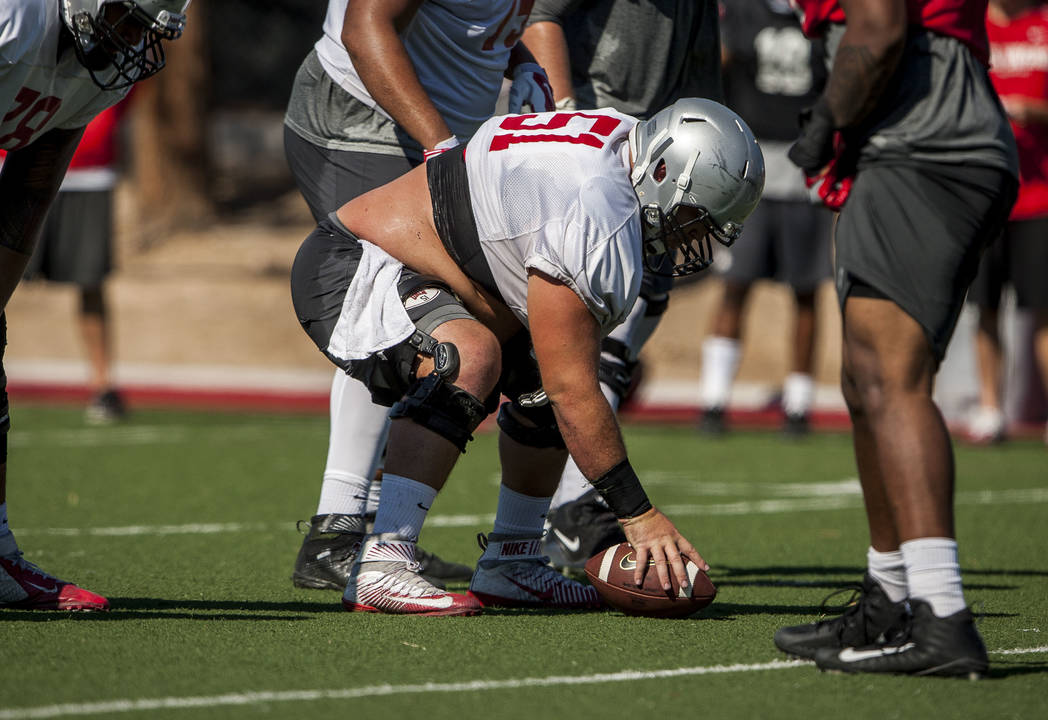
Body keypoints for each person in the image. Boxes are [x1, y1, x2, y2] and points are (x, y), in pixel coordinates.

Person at [290, 98, 765, 615]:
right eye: (692, 218)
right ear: (661, 170)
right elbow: (575, 391)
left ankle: (511, 561)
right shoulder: (598, 210)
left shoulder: (628, 141)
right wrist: (639, 515)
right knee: (471, 357)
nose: (692, 237)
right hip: (358, 261)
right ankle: (383, 564)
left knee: (539, 384)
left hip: (447, 273)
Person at [772, 0, 1018, 676]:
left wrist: (824, 123)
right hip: (929, 134)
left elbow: (878, 25)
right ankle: (889, 600)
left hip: (922, 137)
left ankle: (941, 616)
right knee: (866, 381)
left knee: (892, 378)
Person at [284, 0, 556, 593]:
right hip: (363, 117)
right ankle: (338, 533)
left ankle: (385, 538)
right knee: (389, 307)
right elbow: (365, 26)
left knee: (453, 325)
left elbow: (474, 23)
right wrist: (442, 147)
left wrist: (523, 62)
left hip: (443, 131)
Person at [520, 0, 725, 573]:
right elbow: (542, 14)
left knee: (634, 319)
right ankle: (566, 510)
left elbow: (699, 68)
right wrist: (562, 118)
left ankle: (559, 512)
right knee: (574, 351)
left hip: (658, 149)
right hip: (600, 149)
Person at [0, 0, 190, 611]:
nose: (134, 41)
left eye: (147, 29)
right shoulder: (13, 21)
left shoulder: (103, 71)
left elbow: (32, 185)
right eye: (130, 20)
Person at [698, 0, 833, 438]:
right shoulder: (743, 10)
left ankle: (799, 404)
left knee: (807, 290)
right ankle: (714, 400)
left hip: (806, 168)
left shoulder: (827, 12)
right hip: (749, 169)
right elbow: (714, 66)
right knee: (735, 285)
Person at [964, 0, 1048, 447]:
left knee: (1042, 310)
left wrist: (1033, 112)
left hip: (1041, 198)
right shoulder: (968, 26)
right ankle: (990, 407)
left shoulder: (1045, 25)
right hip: (984, 198)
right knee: (985, 306)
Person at [18, 100, 133, 425]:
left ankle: (103, 385)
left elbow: (131, 92)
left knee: (90, 278)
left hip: (91, 170)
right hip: (18, 162)